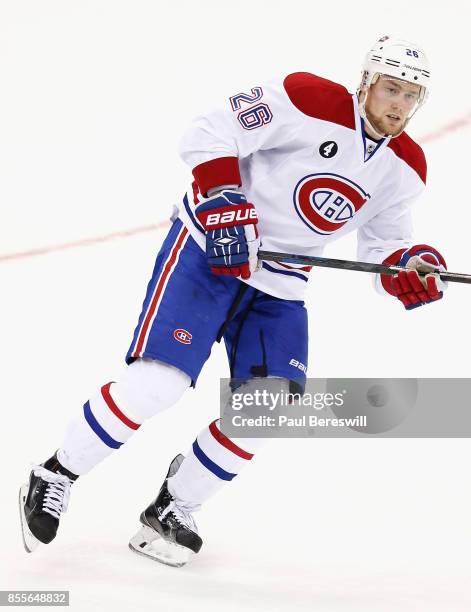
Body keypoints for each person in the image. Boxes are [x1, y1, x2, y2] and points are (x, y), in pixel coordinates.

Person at [19, 35, 448, 566]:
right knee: (159, 385)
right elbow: (209, 131)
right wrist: (224, 197)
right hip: (208, 254)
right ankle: (54, 474)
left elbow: (385, 250)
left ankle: (172, 508)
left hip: (281, 284)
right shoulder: (307, 98)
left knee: (266, 411)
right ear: (365, 82)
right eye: (390, 89)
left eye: (411, 96)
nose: (399, 105)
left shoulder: (406, 168)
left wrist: (409, 269)